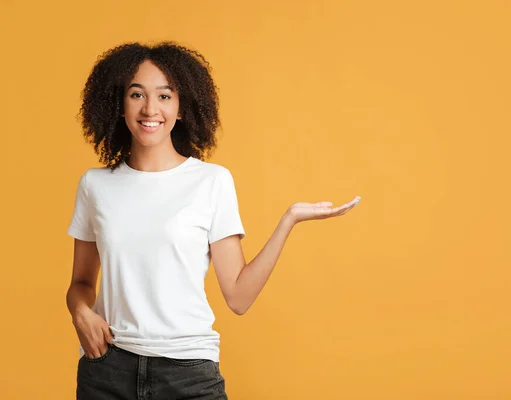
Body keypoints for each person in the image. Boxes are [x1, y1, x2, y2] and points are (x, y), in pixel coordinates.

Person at [66, 41, 361, 400]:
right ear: (119, 105)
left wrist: (289, 220)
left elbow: (238, 296)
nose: (149, 108)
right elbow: (81, 282)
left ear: (181, 109)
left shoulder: (211, 182)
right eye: (136, 94)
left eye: (164, 96)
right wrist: (80, 312)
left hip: (188, 372)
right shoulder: (95, 185)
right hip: (107, 369)